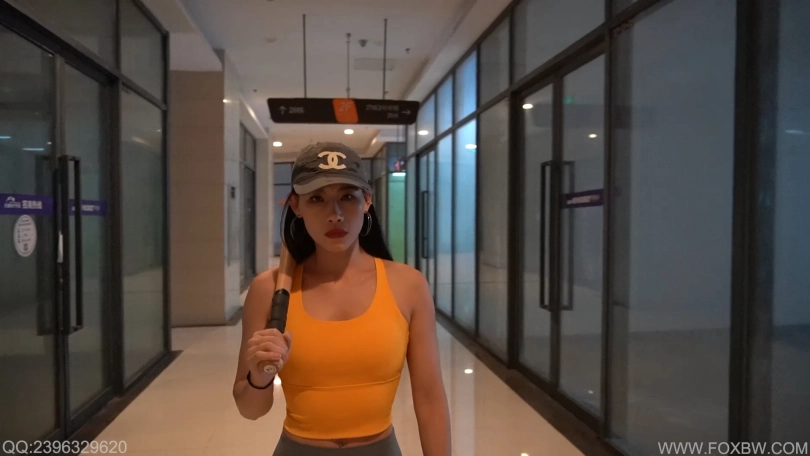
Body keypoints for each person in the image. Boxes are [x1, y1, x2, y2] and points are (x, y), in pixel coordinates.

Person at [232, 142, 452, 456]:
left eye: (347, 197)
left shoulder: (408, 285)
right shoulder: (268, 290)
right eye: (317, 199)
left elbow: (430, 399)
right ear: (296, 205)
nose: (334, 215)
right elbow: (250, 409)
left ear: (367, 201)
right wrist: (259, 375)